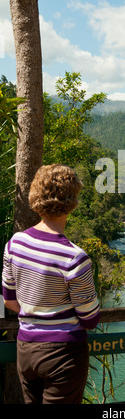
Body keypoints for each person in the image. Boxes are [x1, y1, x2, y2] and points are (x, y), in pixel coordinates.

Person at [2, 164, 101, 404]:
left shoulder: (15, 243)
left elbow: (10, 301)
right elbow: (90, 318)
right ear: (72, 200)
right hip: (63, 355)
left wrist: (35, 310)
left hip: (26, 348)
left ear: (35, 196)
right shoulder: (74, 257)